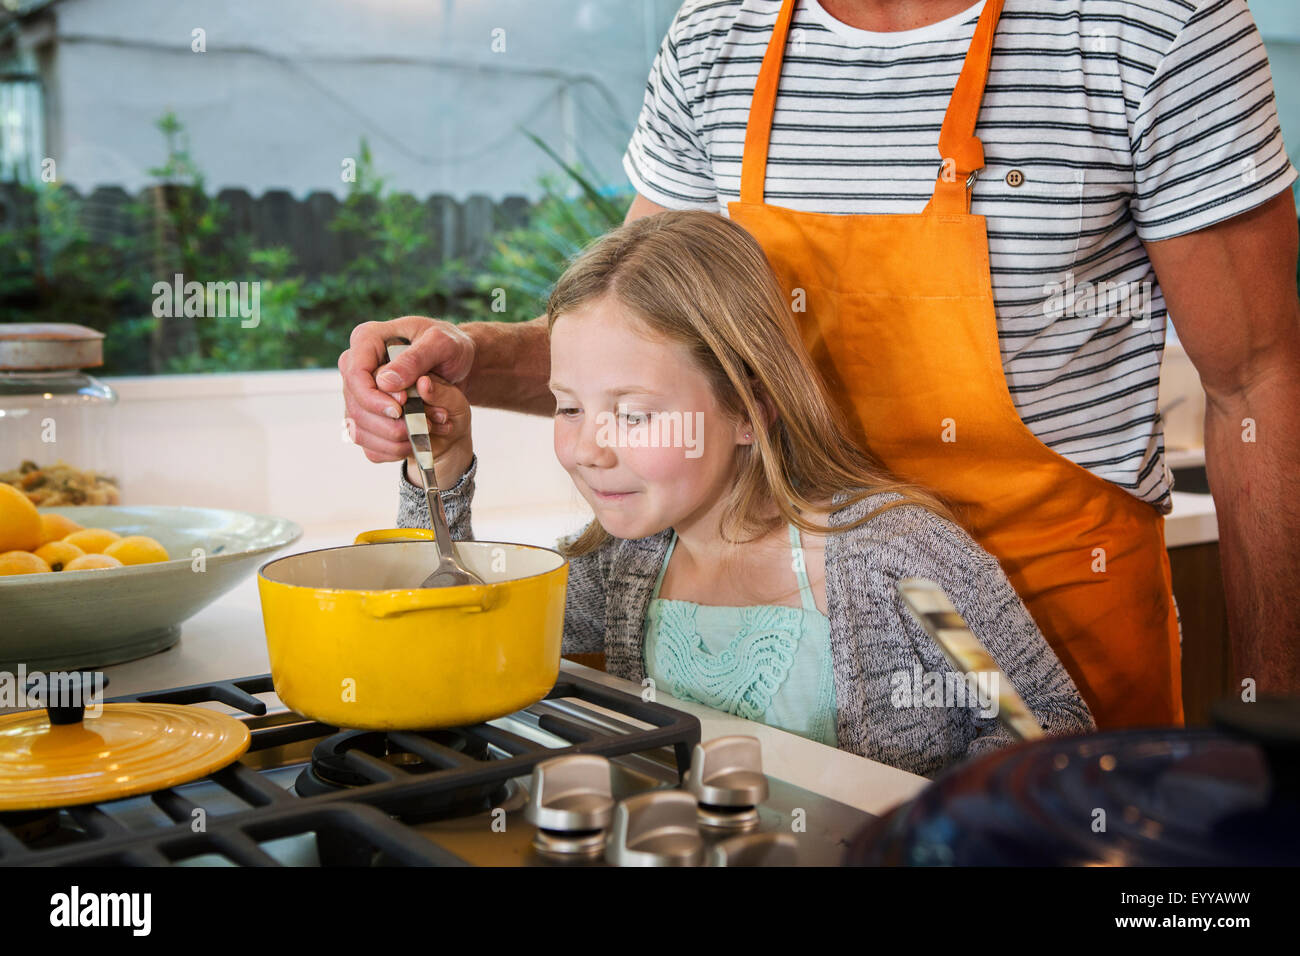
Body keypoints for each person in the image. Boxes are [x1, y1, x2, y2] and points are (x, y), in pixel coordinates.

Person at [341, 0, 1300, 730]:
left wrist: (1278, 722)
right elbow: (646, 341)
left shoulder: (1157, 26)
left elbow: (1262, 383)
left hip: (1062, 635)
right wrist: (467, 362)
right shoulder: (720, 30)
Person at [393, 209, 1093, 777]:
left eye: (633, 414)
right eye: (569, 407)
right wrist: (441, 475)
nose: (587, 449)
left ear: (750, 411)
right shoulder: (624, 565)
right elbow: (453, 640)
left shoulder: (899, 559)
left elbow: (1045, 731)